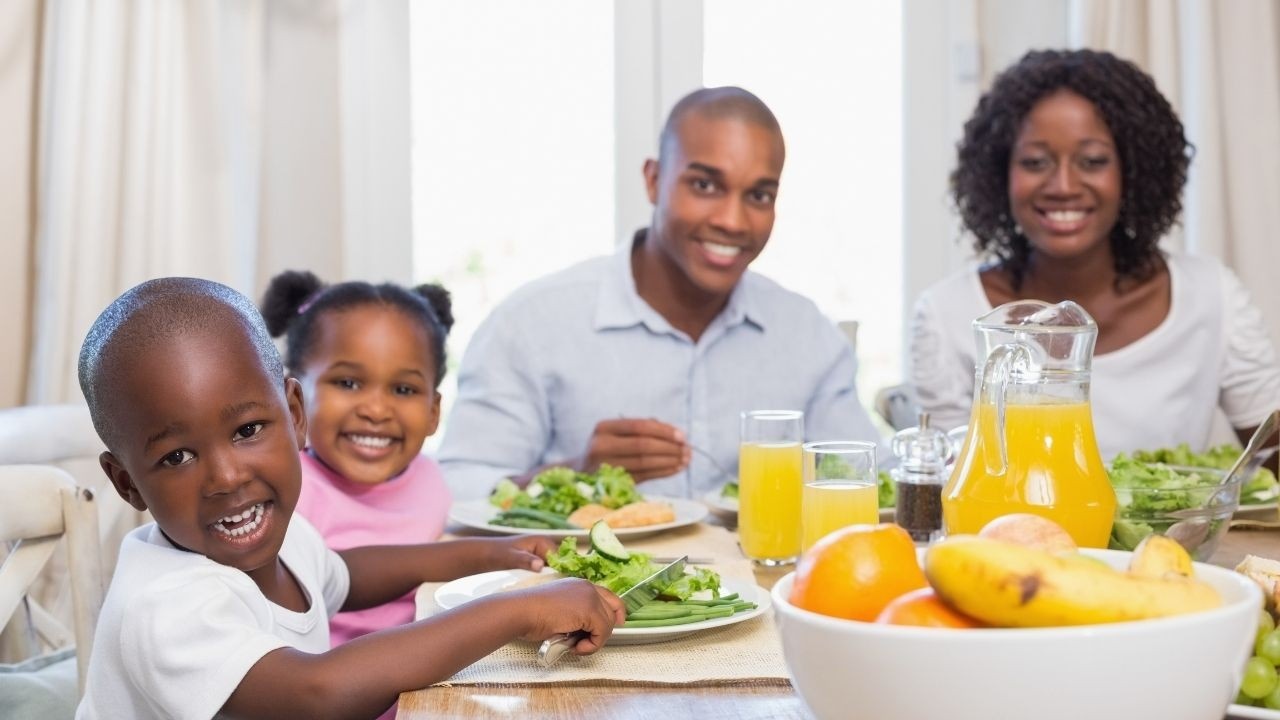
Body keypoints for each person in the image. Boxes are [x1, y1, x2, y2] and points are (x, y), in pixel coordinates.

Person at [75, 277, 623, 720]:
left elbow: (346, 575)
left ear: (294, 415)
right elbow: (315, 694)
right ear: (127, 484)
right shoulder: (166, 606)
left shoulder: (281, 538)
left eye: (246, 431)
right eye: (177, 457)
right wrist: (515, 611)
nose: (226, 477)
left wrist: (485, 554)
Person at [437, 86, 882, 501]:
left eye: (759, 195)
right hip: (584, 585)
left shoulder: (806, 334)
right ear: (653, 180)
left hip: (766, 584)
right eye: (705, 185)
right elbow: (458, 489)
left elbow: (869, 477)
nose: (733, 220)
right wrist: (578, 473)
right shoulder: (533, 323)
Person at [909, 49, 1280, 458]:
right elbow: (949, 486)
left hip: (1167, 527)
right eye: (1035, 162)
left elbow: (1272, 446)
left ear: (1133, 171)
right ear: (1000, 174)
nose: (1064, 185)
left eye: (1093, 160)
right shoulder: (948, 315)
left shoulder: (1212, 296)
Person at [259, 270, 454, 654]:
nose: (376, 410)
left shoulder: (431, 480)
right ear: (292, 400)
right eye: (347, 383)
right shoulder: (281, 493)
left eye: (403, 389)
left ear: (433, 412)